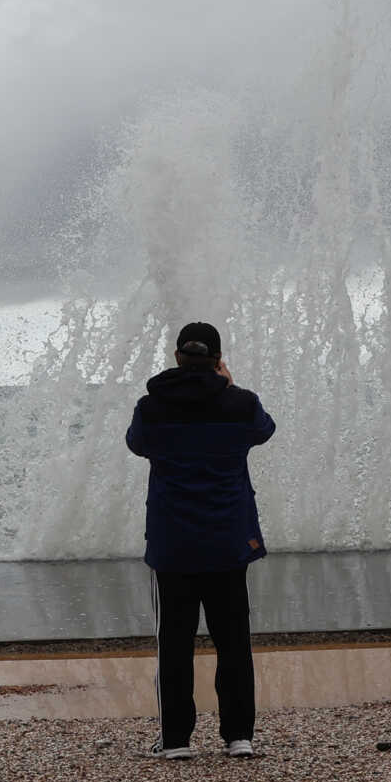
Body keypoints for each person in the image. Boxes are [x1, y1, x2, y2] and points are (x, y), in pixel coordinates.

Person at [123, 320, 277, 759]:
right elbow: (264, 431)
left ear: (176, 357)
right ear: (217, 359)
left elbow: (136, 444)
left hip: (174, 541)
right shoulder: (240, 403)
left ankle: (175, 740)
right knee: (233, 638)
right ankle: (238, 736)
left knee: (174, 640)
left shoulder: (151, 407)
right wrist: (228, 385)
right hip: (229, 538)